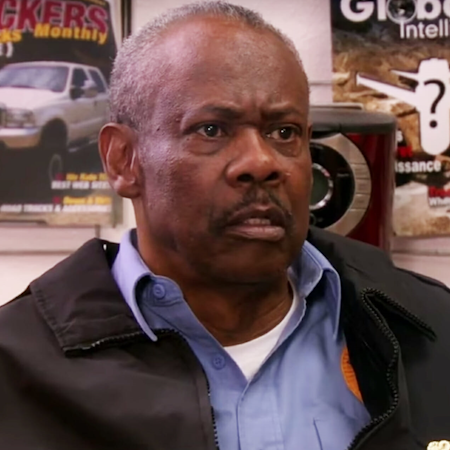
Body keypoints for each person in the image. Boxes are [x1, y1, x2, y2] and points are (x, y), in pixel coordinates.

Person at [0, 2, 449, 449]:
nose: (261, 162)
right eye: (211, 130)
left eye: (284, 132)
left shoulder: (429, 328)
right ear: (123, 160)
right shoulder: (17, 367)